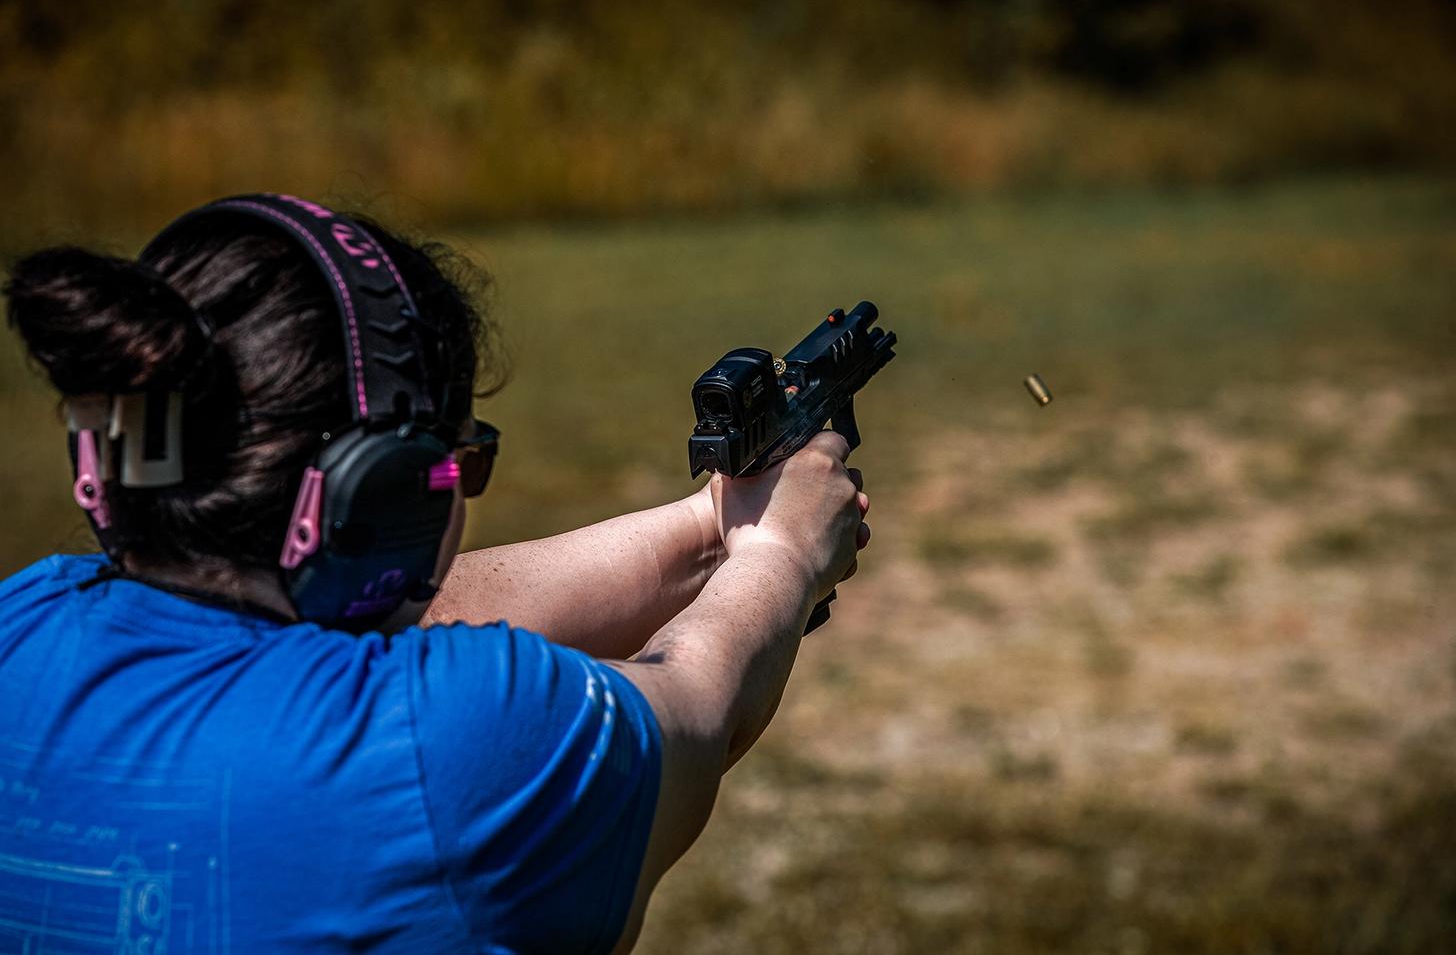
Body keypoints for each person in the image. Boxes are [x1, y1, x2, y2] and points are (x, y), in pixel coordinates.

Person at [0, 194, 870, 953]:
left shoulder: (22, 622)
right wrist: (784, 556)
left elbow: (395, 636)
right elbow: (698, 712)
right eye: (462, 461)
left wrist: (712, 526)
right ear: (385, 492)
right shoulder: (459, 747)